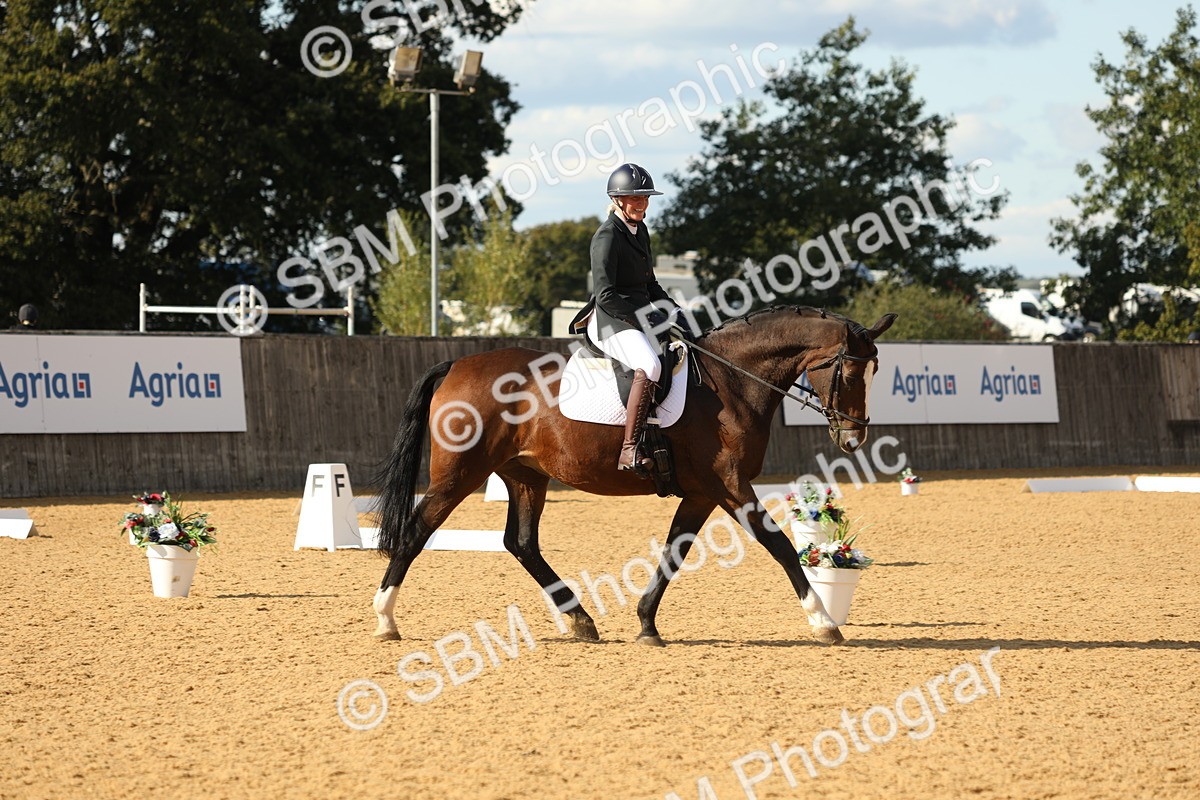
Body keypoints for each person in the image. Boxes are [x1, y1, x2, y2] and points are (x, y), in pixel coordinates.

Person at [570, 163, 682, 474]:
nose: (642, 204)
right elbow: (605, 294)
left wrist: (675, 311)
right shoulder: (607, 236)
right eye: (635, 198)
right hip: (610, 318)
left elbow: (650, 284)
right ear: (618, 200)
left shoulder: (641, 229)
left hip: (639, 315)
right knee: (650, 365)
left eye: (646, 198)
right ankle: (629, 449)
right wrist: (646, 320)